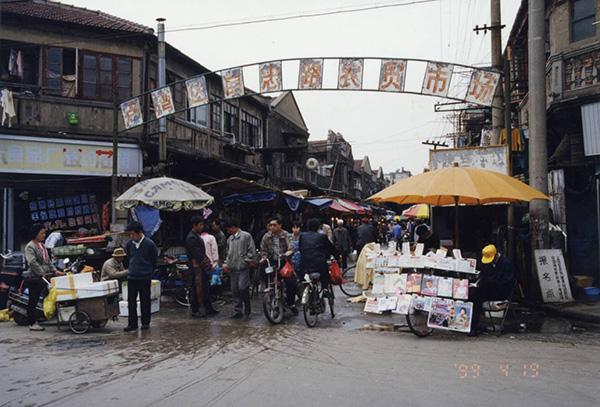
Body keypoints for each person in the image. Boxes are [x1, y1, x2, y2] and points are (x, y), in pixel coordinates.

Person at [469, 244, 517, 336]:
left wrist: (490, 282)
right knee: (472, 294)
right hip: (488, 290)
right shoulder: (488, 265)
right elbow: (483, 276)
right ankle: (471, 325)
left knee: (477, 297)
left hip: (501, 292)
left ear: (496, 255)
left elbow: (507, 282)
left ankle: (473, 327)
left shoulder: (506, 263)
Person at [24, 224, 63, 331]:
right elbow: (32, 262)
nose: (44, 235)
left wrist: (55, 271)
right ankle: (32, 322)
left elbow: (48, 261)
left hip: (45, 276)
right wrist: (41, 272)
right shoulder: (30, 246)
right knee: (34, 299)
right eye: (42, 233)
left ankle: (43, 315)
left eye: (44, 233)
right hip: (35, 277)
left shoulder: (42, 246)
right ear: (35, 234)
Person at [124, 221, 158, 332]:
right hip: (132, 277)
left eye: (133, 234)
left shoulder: (149, 244)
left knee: (145, 300)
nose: (131, 236)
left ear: (139, 233)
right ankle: (132, 324)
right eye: (130, 234)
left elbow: (154, 260)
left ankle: (145, 323)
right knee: (131, 302)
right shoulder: (129, 244)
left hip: (144, 277)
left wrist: (148, 271)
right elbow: (129, 257)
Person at [260, 216, 297, 314]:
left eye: (274, 225)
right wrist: (263, 257)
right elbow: (263, 250)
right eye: (270, 225)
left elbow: (291, 248)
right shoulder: (266, 236)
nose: (272, 227)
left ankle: (291, 303)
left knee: (291, 283)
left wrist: (286, 254)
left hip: (284, 262)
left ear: (280, 225)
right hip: (272, 262)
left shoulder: (287, 235)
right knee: (269, 279)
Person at [223, 219, 256, 320]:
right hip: (233, 268)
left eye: (229, 229)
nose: (228, 231)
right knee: (235, 290)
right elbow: (228, 253)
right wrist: (227, 264)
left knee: (243, 288)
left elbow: (251, 250)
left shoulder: (246, 236)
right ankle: (238, 310)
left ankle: (247, 309)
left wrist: (246, 260)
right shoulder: (230, 239)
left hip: (243, 268)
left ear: (233, 227)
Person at [185, 216, 218, 317]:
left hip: (200, 267)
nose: (202, 227)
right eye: (200, 225)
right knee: (197, 288)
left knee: (204, 288)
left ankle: (207, 308)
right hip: (196, 268)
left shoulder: (195, 236)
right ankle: (196, 309)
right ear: (195, 225)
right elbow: (197, 254)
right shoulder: (191, 237)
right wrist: (207, 263)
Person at [299, 218, 337, 295]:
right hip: (319, 263)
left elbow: (301, 248)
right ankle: (325, 288)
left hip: (305, 262)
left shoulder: (302, 236)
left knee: (302, 276)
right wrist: (337, 256)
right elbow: (331, 248)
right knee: (325, 274)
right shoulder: (322, 236)